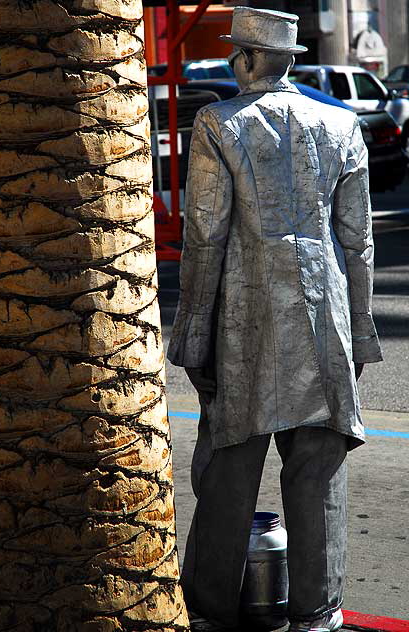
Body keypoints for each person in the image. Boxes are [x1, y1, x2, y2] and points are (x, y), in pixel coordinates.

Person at [167, 7, 383, 632]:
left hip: (245, 323)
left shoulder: (220, 124)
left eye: (238, 51)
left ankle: (211, 610)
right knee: (317, 471)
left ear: (251, 59)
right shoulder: (341, 126)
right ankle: (317, 613)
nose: (235, 60)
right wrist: (361, 335)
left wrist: (194, 336)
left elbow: (205, 239)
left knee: (230, 464)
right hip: (326, 322)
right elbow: (358, 243)